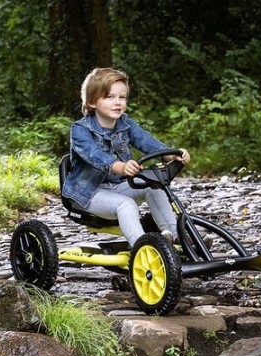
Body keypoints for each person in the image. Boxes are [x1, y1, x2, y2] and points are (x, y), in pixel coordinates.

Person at [61, 66, 191, 247]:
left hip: (118, 186)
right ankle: (141, 248)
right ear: (91, 102)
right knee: (126, 204)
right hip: (88, 194)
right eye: (110, 97)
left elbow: (145, 140)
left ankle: (177, 237)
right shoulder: (80, 129)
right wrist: (120, 166)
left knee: (155, 187)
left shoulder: (125, 123)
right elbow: (93, 154)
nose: (118, 102)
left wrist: (170, 154)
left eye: (122, 97)